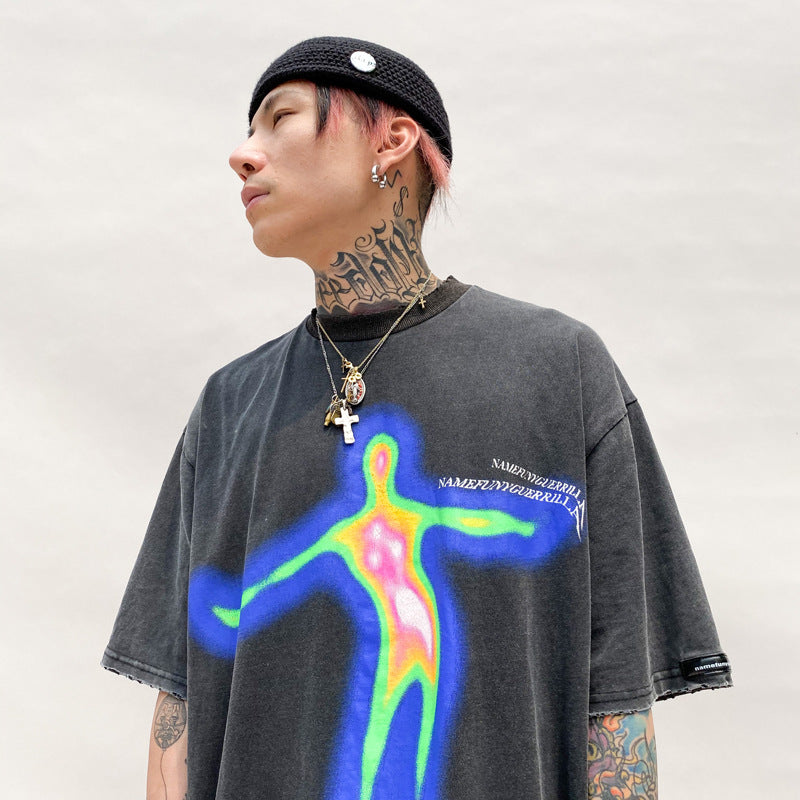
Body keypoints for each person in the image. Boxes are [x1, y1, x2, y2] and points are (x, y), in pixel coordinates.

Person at [101, 36, 733, 800]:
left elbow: (615, 706)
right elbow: (182, 704)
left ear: (392, 140)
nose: (243, 154)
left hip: (420, 648)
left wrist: (531, 521)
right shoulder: (230, 406)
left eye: (280, 118)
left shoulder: (559, 372)